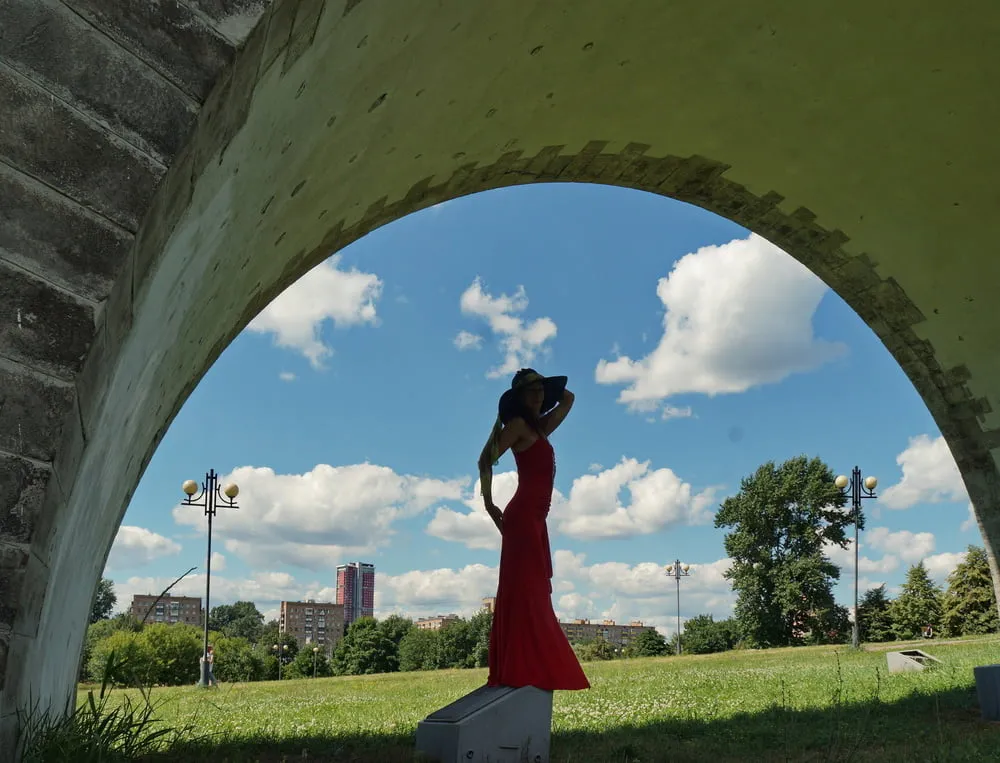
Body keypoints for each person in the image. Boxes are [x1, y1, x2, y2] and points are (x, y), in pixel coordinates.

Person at [478, 368, 590, 691]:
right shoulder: (517, 427)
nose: (539, 395)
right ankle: (522, 668)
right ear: (518, 398)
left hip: (536, 523)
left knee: (532, 592)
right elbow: (485, 460)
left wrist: (545, 392)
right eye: (532, 391)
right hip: (523, 518)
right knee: (528, 594)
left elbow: (568, 399)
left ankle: (527, 665)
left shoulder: (539, 429)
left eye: (541, 390)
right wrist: (489, 504)